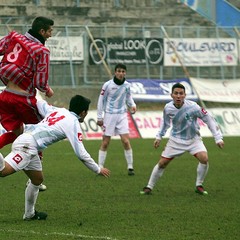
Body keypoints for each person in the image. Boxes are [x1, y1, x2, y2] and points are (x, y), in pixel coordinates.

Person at [0, 95, 110, 220]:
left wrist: (36, 91)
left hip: (30, 143)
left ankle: (29, 214)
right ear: (83, 112)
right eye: (86, 112)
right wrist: (98, 169)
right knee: (2, 171)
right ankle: (29, 214)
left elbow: (42, 105)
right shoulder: (73, 123)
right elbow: (81, 154)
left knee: (37, 180)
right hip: (28, 146)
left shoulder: (59, 111)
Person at [0, 16, 55, 191]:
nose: (51, 35)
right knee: (39, 133)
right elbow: (40, 82)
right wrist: (47, 89)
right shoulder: (41, 50)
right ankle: (35, 177)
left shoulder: (13, 36)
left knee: (17, 134)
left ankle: (34, 178)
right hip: (23, 99)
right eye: (49, 31)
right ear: (42, 31)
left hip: (5, 96)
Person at [140, 83, 224, 195]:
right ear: (171, 95)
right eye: (176, 93)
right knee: (162, 163)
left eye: (181, 93)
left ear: (185, 95)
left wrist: (218, 137)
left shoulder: (193, 107)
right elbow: (165, 124)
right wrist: (159, 137)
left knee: (204, 158)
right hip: (176, 140)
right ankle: (149, 187)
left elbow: (208, 119)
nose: (178, 96)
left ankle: (199, 185)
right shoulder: (168, 108)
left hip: (193, 139)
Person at [97, 63, 137, 176]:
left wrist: (133, 105)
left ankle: (130, 167)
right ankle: (100, 167)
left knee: (125, 141)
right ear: (115, 72)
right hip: (109, 115)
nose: (121, 73)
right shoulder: (107, 85)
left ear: (125, 73)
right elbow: (101, 101)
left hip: (122, 115)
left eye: (123, 71)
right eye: (119, 71)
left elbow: (129, 98)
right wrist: (99, 116)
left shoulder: (127, 85)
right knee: (105, 142)